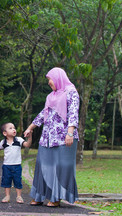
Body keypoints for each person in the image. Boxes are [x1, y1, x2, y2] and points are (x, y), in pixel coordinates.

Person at [24, 67, 79, 207]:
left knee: (61, 168)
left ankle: (56, 197)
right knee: (43, 166)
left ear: (59, 78)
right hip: (47, 137)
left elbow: (73, 113)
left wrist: (70, 133)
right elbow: (44, 113)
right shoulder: (51, 96)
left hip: (64, 137)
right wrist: (31, 127)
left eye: (50, 79)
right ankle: (39, 195)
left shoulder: (71, 92)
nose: (49, 82)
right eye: (48, 79)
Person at [0, 122, 32, 204]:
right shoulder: (3, 142)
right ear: (5, 133)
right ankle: (7, 196)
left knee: (18, 181)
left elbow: (27, 145)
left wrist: (30, 137)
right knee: (6, 181)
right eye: (10, 128)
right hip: (6, 166)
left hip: (17, 165)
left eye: (14, 128)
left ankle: (19, 196)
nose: (14, 129)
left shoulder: (19, 140)